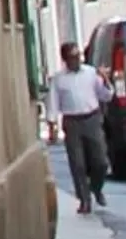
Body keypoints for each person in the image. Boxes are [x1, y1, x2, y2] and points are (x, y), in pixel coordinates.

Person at [46, 38, 112, 215]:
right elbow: (53, 104)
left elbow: (106, 96)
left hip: (91, 118)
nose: (76, 60)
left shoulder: (91, 73)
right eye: (72, 57)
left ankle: (96, 187)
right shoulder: (59, 80)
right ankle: (84, 200)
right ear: (65, 59)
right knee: (78, 164)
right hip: (72, 122)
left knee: (101, 162)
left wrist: (105, 80)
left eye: (78, 56)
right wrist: (52, 126)